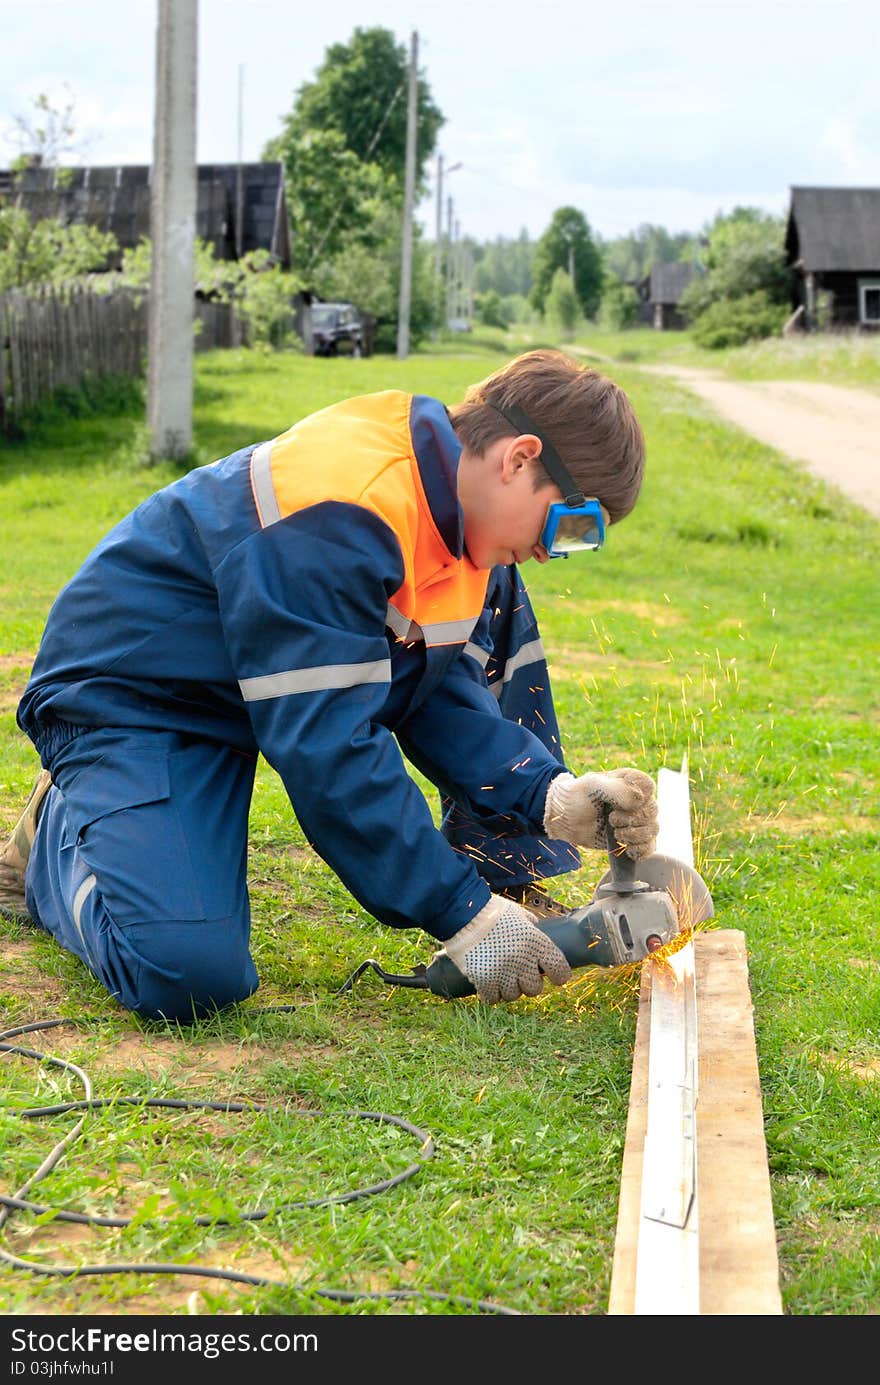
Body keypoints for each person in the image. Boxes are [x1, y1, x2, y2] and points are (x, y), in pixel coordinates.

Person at [0, 349, 658, 1020]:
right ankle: (58, 837)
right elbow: (329, 748)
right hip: (125, 697)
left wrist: (548, 792)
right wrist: (464, 911)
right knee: (187, 973)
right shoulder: (343, 504)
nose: (555, 551)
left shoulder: (457, 520)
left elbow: (428, 691)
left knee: (197, 963)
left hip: (232, 704)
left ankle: (112, 821)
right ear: (518, 458)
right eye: (570, 526)